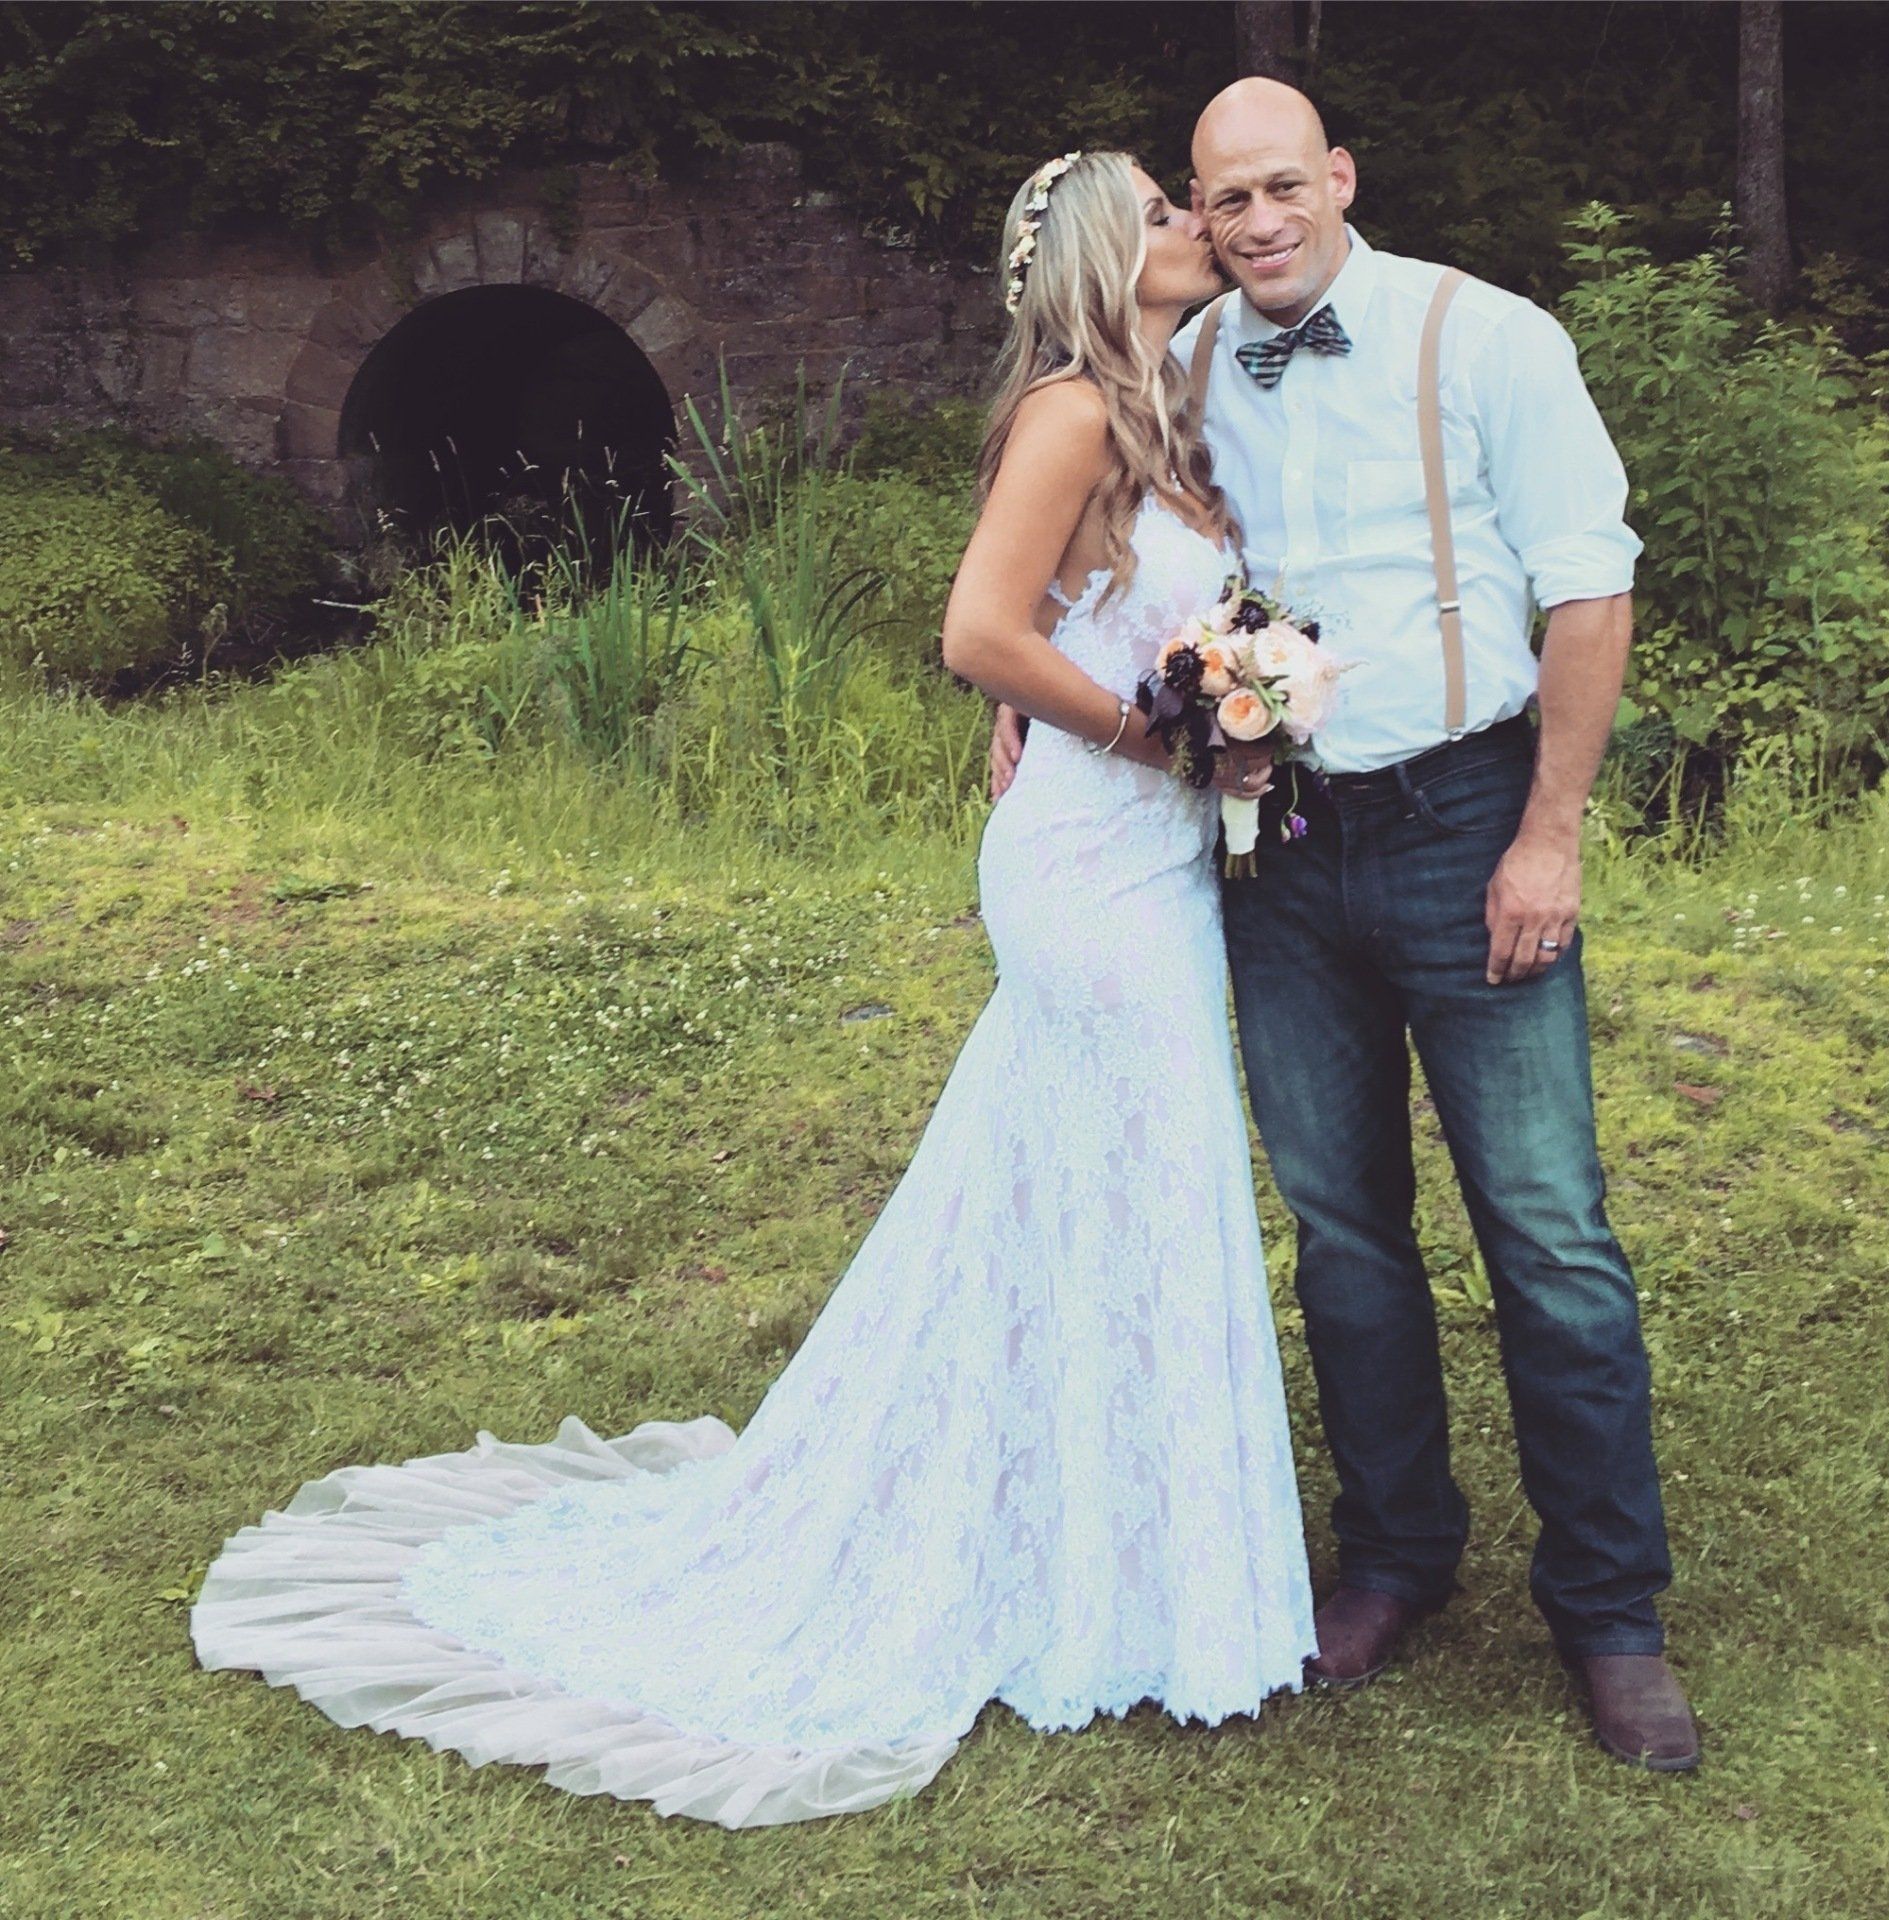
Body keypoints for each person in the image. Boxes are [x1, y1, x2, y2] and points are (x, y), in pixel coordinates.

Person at [189, 150, 1320, 1831]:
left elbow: (1096, 620)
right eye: (1163, 208)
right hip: (1092, 864)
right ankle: (1097, 1561)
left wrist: (1233, 687)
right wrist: (1155, 730)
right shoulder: (1075, 412)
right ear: (1101, 251)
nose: (1196, 227)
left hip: (1150, 861)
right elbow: (976, 636)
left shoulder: (1159, 406)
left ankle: (1112, 1548)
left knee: (1094, 1180)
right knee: (1133, 1165)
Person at [992, 80, 1700, 1773]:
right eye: (1221, 199)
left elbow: (1591, 584)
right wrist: (1017, 702)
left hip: (1470, 822)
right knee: (1344, 1227)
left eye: (1280, 188)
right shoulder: (1172, 367)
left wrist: (1548, 835)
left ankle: (1610, 1614)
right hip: (1271, 843)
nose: (1252, 222)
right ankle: (1395, 1555)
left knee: (1547, 1229)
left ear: (1341, 179)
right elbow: (1074, 560)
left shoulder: (1491, 335)